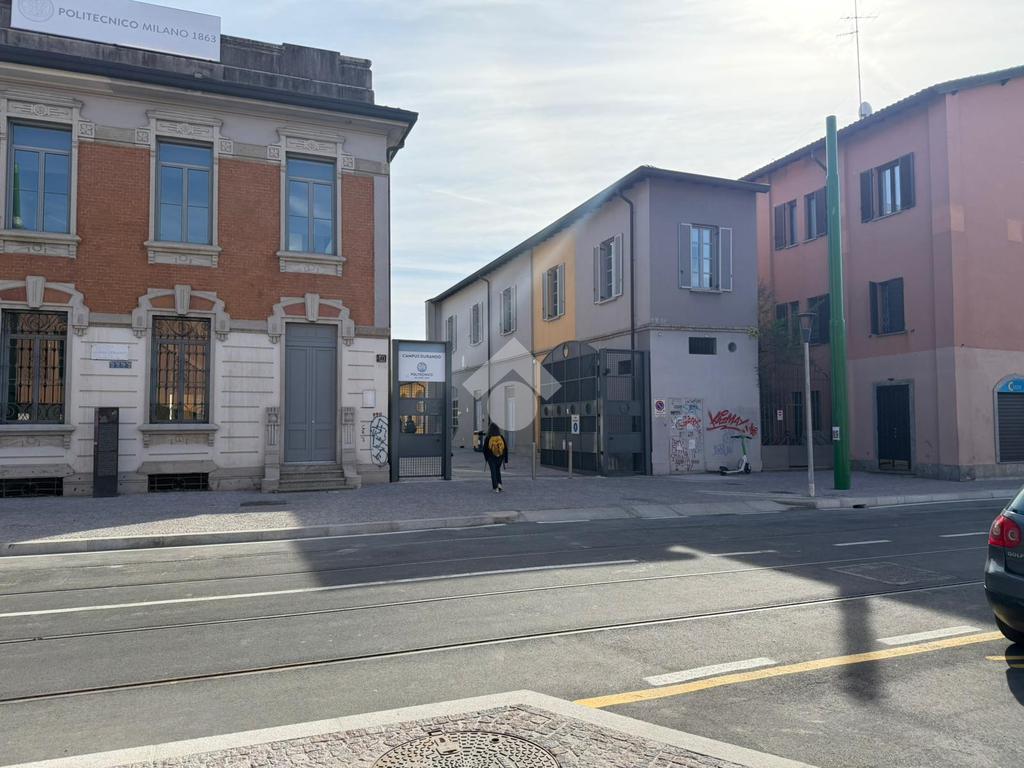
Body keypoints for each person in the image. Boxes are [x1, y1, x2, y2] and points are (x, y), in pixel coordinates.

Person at [483, 422, 508, 493]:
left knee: (493, 472)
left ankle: (495, 487)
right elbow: (505, 449)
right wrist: (505, 459)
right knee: (498, 471)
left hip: (491, 458)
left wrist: (486, 458)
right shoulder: (501, 437)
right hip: (500, 457)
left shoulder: (488, 437)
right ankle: (500, 485)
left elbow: (484, 449)